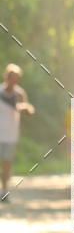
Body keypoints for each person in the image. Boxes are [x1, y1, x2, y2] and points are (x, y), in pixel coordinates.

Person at [0, 64, 36, 202]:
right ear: (6, 77)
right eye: (11, 78)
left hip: (10, 135)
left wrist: (24, 108)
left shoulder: (19, 94)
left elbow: (29, 110)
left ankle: (4, 192)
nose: (13, 81)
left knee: (6, 165)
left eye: (16, 79)